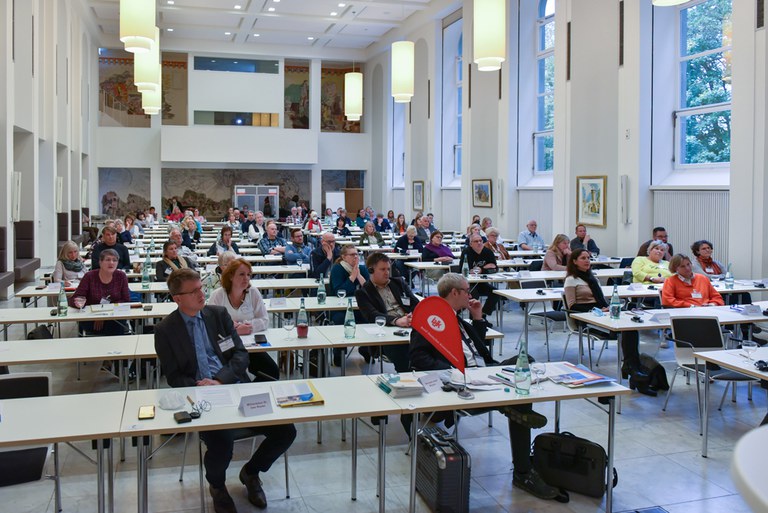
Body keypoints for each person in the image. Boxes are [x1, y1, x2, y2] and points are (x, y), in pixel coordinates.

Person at [154, 268, 296, 512]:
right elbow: (174, 375)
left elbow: (241, 355)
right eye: (194, 291)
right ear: (177, 299)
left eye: (201, 288)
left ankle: (251, 472)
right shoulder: (166, 330)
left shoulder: (218, 315)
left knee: (286, 431)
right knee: (222, 444)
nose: (202, 294)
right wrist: (200, 388)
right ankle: (217, 486)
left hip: (235, 387)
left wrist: (220, 380)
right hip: (201, 397)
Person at [409, 273, 559, 500]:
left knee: (524, 361)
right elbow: (418, 358)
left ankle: (510, 407)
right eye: (467, 291)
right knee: (520, 398)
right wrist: (456, 372)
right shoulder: (431, 321)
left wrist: (478, 318)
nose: (471, 295)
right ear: (455, 293)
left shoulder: (459, 319)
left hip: (483, 372)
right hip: (461, 382)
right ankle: (523, 471)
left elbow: (476, 349)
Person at [563, 249, 649, 394]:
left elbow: (602, 301)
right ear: (574, 261)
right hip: (585, 319)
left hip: (601, 314)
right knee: (626, 330)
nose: (587, 261)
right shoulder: (571, 280)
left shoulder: (592, 278)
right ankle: (633, 370)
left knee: (630, 327)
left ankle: (632, 368)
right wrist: (596, 310)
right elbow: (572, 306)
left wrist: (608, 308)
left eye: (588, 258)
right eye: (583, 258)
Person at [208, 259, 280, 381]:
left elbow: (264, 319)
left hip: (250, 346)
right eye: (241, 274)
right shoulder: (218, 295)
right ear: (230, 276)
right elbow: (210, 325)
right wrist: (234, 330)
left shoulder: (253, 292)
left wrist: (249, 326)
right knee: (236, 374)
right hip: (226, 347)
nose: (246, 278)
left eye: (248, 275)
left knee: (272, 371)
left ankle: (252, 391)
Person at [355, 253, 419, 371]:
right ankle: (409, 377)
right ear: (371, 270)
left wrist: (413, 314)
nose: (387, 272)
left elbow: (415, 303)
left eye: (388, 269)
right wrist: (397, 321)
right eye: (382, 269)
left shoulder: (399, 283)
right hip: (386, 332)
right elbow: (372, 315)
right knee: (403, 352)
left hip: (410, 325)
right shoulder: (363, 292)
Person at [69, 249, 131, 336]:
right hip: (92, 317)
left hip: (114, 316)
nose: (111, 263)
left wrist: (104, 314)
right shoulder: (89, 276)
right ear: (100, 262)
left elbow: (125, 300)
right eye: (108, 260)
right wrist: (79, 303)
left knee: (115, 324)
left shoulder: (121, 276)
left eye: (114, 260)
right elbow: (75, 298)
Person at [329, 245, 371, 364]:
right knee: (340, 320)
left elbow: (370, 289)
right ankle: (339, 351)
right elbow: (339, 291)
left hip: (359, 306)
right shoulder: (337, 269)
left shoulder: (362, 268)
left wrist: (358, 275)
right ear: (344, 257)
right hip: (340, 307)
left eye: (357, 254)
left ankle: (366, 349)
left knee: (369, 318)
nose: (355, 257)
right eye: (352, 255)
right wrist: (352, 277)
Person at [458, 234, 500, 318]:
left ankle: (482, 315)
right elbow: (464, 270)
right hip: (468, 284)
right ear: (471, 244)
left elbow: (495, 268)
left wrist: (481, 270)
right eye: (476, 241)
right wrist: (486, 268)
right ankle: (474, 319)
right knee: (474, 295)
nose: (479, 243)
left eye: (481, 241)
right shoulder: (466, 252)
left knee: (496, 293)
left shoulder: (488, 252)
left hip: (481, 283)